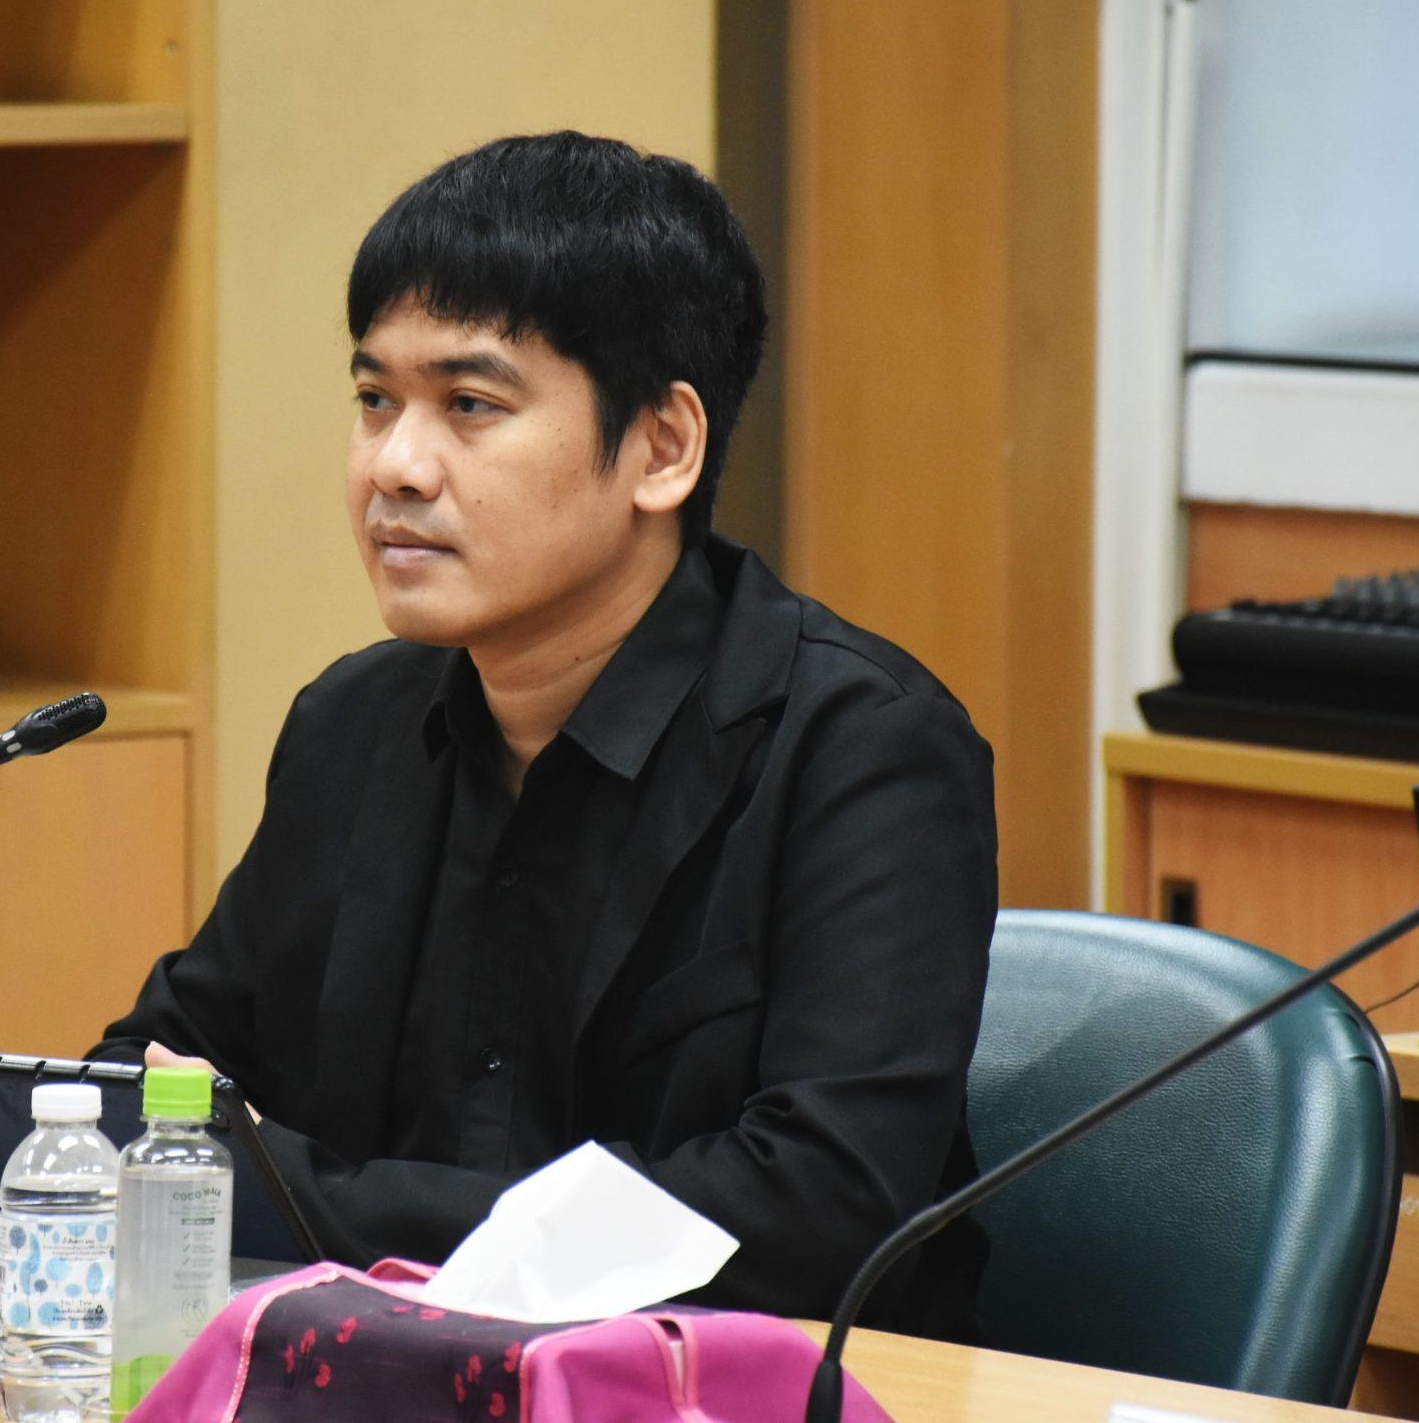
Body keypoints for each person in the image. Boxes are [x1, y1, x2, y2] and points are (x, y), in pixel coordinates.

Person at [96, 131, 998, 1335]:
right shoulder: (350, 727)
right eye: (374, 401)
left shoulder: (862, 750)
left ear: (662, 448)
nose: (394, 466)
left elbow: (815, 1211)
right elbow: (149, 1088)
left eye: (469, 406)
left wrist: (303, 1197)